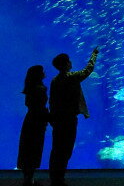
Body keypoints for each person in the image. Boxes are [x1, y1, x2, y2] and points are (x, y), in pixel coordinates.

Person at [49, 46, 99, 186]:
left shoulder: (54, 80)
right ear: (66, 64)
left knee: (57, 149)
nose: (71, 63)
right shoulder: (72, 77)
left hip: (58, 120)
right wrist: (94, 55)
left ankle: (55, 178)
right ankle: (59, 179)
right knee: (66, 149)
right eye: (69, 61)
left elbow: (51, 100)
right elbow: (88, 70)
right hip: (69, 120)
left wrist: (52, 119)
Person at [17, 65, 49, 186]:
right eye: (42, 71)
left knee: (27, 147)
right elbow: (40, 107)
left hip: (30, 119)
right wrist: (48, 117)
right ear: (38, 74)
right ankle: (30, 178)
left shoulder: (30, 88)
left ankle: (28, 178)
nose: (44, 72)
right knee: (34, 147)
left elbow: (28, 104)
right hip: (38, 121)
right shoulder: (40, 89)